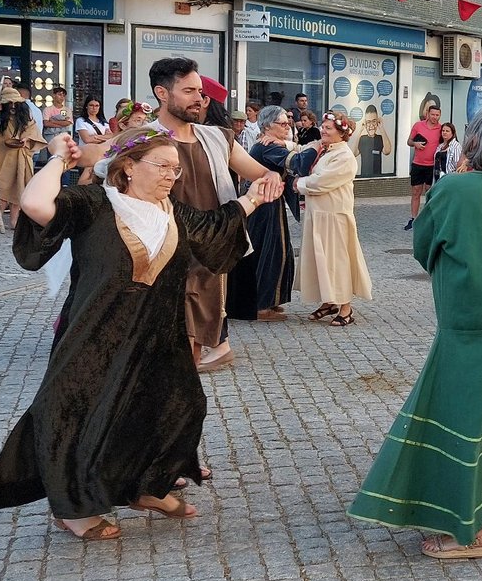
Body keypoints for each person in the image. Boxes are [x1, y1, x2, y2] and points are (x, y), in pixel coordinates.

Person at [0, 128, 279, 541]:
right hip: (95, 333)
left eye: (176, 168)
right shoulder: (93, 204)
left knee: (179, 405)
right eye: (163, 166)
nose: (172, 175)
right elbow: (36, 204)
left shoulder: (173, 211)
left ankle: (146, 487)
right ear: (128, 167)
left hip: (157, 334)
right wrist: (59, 157)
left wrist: (253, 197)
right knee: (77, 415)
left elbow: (214, 227)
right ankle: (74, 510)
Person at [347, 106, 482, 560]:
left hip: (474, 317)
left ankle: (468, 533)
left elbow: (423, 246)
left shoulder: (454, 188)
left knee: (461, 419)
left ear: (476, 142)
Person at [139, 57, 279, 373]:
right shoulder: (143, 139)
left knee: (195, 334)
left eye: (200, 91)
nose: (200, 98)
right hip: (165, 251)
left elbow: (260, 173)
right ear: (162, 93)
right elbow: (109, 172)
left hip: (211, 249)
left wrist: (271, 179)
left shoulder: (217, 137)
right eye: (188, 91)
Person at [298, 113, 373, 326]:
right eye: (323, 126)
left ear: (341, 133)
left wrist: (299, 184)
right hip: (319, 215)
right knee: (321, 259)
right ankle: (328, 301)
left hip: (335, 216)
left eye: (329, 128)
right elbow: (298, 150)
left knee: (338, 260)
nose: (323, 130)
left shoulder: (345, 157)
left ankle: (346, 307)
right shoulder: (325, 150)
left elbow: (323, 182)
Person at [225, 108, 299, 323]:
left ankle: (268, 301)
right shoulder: (267, 147)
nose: (287, 127)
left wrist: (288, 144)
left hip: (269, 204)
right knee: (268, 252)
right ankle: (260, 305)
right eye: (282, 124)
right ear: (267, 126)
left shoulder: (272, 145)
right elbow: (299, 162)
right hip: (264, 206)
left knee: (276, 251)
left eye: (288, 124)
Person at [0, 89, 45, 230]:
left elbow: (34, 134)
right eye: (10, 103)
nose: (13, 106)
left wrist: (26, 139)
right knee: (1, 190)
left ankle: (14, 221)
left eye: (15, 103)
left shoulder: (26, 118)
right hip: (3, 157)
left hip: (21, 157)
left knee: (19, 190)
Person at [405, 103, 443, 231]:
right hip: (417, 164)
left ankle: (428, 220)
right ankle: (413, 219)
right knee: (416, 192)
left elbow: (447, 143)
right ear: (427, 114)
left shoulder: (441, 129)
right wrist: (415, 143)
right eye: (432, 114)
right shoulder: (418, 125)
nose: (435, 117)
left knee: (429, 193)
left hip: (432, 166)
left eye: (437, 115)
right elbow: (409, 141)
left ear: (440, 115)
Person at [354, 106, 391, 177]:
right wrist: (360, 130)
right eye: (368, 122)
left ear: (377, 121)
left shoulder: (380, 138)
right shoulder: (362, 139)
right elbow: (354, 153)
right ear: (365, 123)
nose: (371, 125)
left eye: (374, 121)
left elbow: (387, 151)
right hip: (364, 178)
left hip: (377, 178)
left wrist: (382, 128)